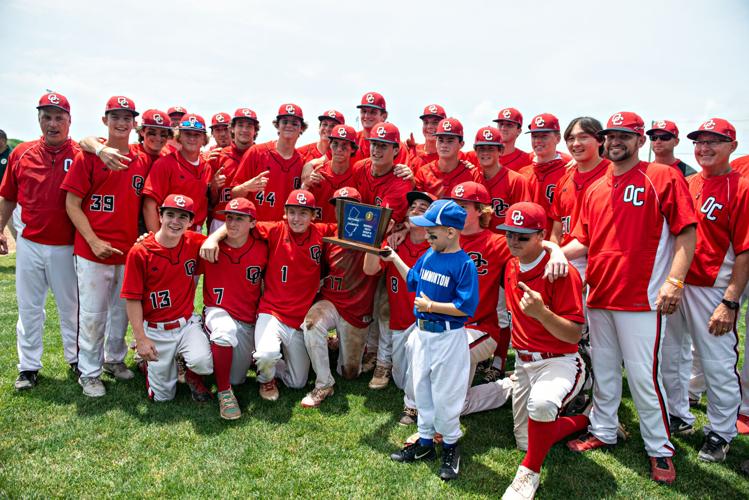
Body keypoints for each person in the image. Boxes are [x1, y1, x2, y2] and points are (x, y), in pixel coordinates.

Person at [563, 111, 697, 485]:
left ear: (640, 140)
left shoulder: (663, 176)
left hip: (642, 298)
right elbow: (584, 241)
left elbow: (687, 233)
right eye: (611, 135)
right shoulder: (594, 188)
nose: (616, 141)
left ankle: (660, 448)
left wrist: (675, 281)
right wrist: (552, 252)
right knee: (604, 371)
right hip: (600, 295)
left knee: (643, 377)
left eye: (625, 135)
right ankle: (603, 430)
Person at [661, 118, 748, 462]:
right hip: (678, 282)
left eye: (714, 141)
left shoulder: (741, 186)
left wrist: (730, 300)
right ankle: (679, 415)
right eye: (699, 142)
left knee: (717, 362)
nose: (704, 148)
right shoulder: (687, 183)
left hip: (713, 286)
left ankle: (721, 431)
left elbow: (744, 250)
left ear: (732, 146)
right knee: (670, 357)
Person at [202, 189, 335, 401]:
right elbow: (238, 223)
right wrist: (213, 237)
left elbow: (351, 230)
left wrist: (394, 228)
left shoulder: (322, 232)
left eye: (303, 213)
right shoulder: (275, 230)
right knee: (266, 354)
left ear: (313, 215)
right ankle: (266, 378)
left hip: (300, 317)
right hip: (271, 312)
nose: (296, 218)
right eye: (292, 212)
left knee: (297, 381)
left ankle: (265, 363)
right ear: (285, 213)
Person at [498, 202, 588, 500]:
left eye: (522, 236)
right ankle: (588, 418)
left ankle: (528, 474)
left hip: (559, 360)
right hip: (524, 363)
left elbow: (574, 335)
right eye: (510, 233)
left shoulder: (561, 272)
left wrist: (542, 314)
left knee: (542, 405)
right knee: (527, 439)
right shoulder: (512, 263)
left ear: (539, 236)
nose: (513, 241)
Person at [62, 95, 149, 396]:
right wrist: (93, 240)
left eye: (127, 118)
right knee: (93, 314)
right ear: (105, 120)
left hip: (126, 250)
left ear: (134, 123)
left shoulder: (141, 159)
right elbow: (72, 204)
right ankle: (89, 372)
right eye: (116, 117)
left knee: (120, 311)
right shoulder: (90, 155)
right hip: (93, 250)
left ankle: (114, 360)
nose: (122, 123)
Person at [387, 199, 479, 482]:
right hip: (422, 333)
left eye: (432, 231)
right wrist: (393, 258)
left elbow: (466, 308)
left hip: (448, 337)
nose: (426, 235)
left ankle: (451, 446)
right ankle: (425, 442)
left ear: (451, 232)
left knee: (445, 395)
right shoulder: (429, 255)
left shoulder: (464, 264)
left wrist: (433, 307)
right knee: (422, 389)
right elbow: (413, 280)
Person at [0, 92, 80, 389]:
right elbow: (8, 196)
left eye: (59, 117)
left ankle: (76, 360)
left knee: (71, 307)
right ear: (39, 119)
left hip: (67, 245)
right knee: (29, 307)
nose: (53, 123)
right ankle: (28, 366)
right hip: (30, 243)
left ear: (69, 121)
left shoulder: (81, 154)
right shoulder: (22, 153)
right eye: (47, 116)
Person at [120, 194, 213, 402]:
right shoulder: (140, 252)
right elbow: (132, 299)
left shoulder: (194, 242)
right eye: (170, 214)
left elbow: (229, 236)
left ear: (191, 222)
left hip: (186, 324)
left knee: (204, 362)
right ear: (160, 216)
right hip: (156, 330)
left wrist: (214, 237)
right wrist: (141, 338)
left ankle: (189, 370)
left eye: (183, 217)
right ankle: (146, 362)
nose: (175, 221)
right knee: (163, 397)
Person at [300, 187, 380, 407]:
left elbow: (373, 271)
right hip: (332, 301)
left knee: (350, 372)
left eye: (349, 206)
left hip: (358, 309)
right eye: (338, 206)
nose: (343, 211)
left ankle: (343, 346)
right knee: (311, 324)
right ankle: (323, 384)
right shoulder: (329, 234)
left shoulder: (373, 234)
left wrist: (377, 239)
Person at [473, 126, 530, 382]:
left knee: (505, 310)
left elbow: (525, 219)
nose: (485, 153)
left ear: (500, 150)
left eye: (490, 148)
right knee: (484, 306)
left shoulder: (516, 180)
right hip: (480, 250)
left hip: (507, 251)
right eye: (481, 148)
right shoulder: (473, 177)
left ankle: (499, 360)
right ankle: (483, 355)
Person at [202, 197, 267, 419]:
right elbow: (169, 241)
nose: (232, 223)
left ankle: (217, 366)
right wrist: (145, 237)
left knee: (237, 378)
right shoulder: (208, 246)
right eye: (229, 217)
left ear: (252, 223)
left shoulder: (263, 248)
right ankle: (223, 393)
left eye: (240, 218)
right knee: (224, 331)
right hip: (217, 312)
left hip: (246, 319)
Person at [363, 191, 433, 397]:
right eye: (413, 206)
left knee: (421, 381)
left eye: (424, 206)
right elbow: (369, 269)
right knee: (402, 381)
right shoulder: (395, 242)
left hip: (428, 325)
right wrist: (375, 242)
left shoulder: (438, 246)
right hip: (401, 323)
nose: (417, 208)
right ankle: (388, 361)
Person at [230, 103, 307, 222]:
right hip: (255, 228)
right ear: (277, 125)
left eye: (294, 123)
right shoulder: (257, 152)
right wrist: (246, 187)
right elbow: (234, 194)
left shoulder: (302, 161)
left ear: (301, 128)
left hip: (284, 230)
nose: (289, 126)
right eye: (285, 122)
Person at [143, 114, 214, 232]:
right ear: (179, 137)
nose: (192, 139)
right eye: (187, 134)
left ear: (204, 139)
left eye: (197, 135)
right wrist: (156, 238)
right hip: (169, 231)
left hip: (195, 232)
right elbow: (149, 205)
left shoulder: (207, 167)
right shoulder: (164, 164)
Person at [207, 108, 264, 233]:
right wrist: (214, 187)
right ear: (232, 128)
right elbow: (210, 201)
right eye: (240, 125)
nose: (244, 130)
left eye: (249, 126)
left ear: (255, 131)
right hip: (222, 221)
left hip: (253, 221)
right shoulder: (218, 156)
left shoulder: (264, 156)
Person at [519, 114, 568, 234]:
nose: (538, 141)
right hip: (528, 242)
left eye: (544, 136)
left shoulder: (569, 170)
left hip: (561, 242)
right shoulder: (523, 173)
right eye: (534, 136)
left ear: (558, 138)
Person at [301, 124, 359, 223]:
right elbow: (299, 208)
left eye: (344, 145)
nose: (339, 149)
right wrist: (305, 185)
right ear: (330, 145)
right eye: (335, 143)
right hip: (316, 232)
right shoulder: (317, 172)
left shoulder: (357, 176)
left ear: (353, 149)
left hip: (342, 235)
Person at [413, 118, 482, 199]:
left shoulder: (473, 175)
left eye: (450, 141)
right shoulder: (423, 173)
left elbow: (480, 208)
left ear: (461, 144)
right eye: (441, 140)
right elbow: (418, 208)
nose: (444, 145)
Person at [352, 91, 408, 165]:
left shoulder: (396, 146)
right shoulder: (351, 140)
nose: (367, 116)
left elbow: (401, 174)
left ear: (384, 116)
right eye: (364, 111)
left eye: (373, 112)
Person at [406, 104, 448, 171]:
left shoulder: (450, 156)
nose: (429, 126)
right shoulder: (411, 150)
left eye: (435, 122)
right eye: (426, 122)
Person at [493, 107, 532, 172]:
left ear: (519, 131)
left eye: (509, 125)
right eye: (501, 124)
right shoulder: (480, 156)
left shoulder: (527, 160)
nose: (503, 128)